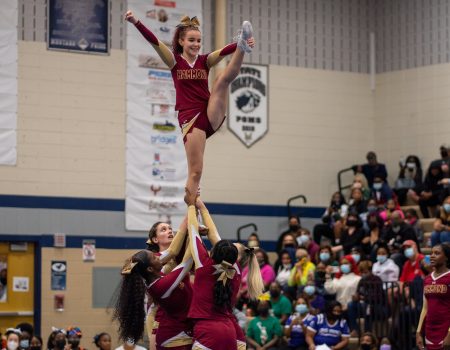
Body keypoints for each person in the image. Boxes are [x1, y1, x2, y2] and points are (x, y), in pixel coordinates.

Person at [125, 11, 255, 204]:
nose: (196, 44)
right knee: (196, 171)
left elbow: (224, 51)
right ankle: (192, 208)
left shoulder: (205, 61)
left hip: (209, 112)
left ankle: (243, 45)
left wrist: (239, 44)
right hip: (191, 119)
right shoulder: (174, 62)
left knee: (221, 81)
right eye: (191, 40)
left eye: (199, 41)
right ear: (181, 42)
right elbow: (153, 41)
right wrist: (136, 22)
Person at [186, 200, 264, 350]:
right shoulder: (237, 272)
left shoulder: (204, 266)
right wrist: (200, 207)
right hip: (231, 332)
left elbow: (194, 232)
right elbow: (214, 237)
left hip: (208, 331)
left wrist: (193, 205)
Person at [113, 218, 194, 350]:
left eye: (170, 228)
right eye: (164, 229)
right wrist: (189, 222)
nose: (169, 231)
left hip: (184, 318)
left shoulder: (174, 255)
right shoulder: (155, 258)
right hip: (162, 319)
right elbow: (173, 251)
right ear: (155, 239)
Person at [416, 243, 450, 350]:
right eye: (431, 253)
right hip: (430, 329)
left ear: (446, 258)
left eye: (437, 253)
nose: (432, 256)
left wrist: (449, 334)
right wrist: (418, 332)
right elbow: (425, 308)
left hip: (446, 328)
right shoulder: (427, 279)